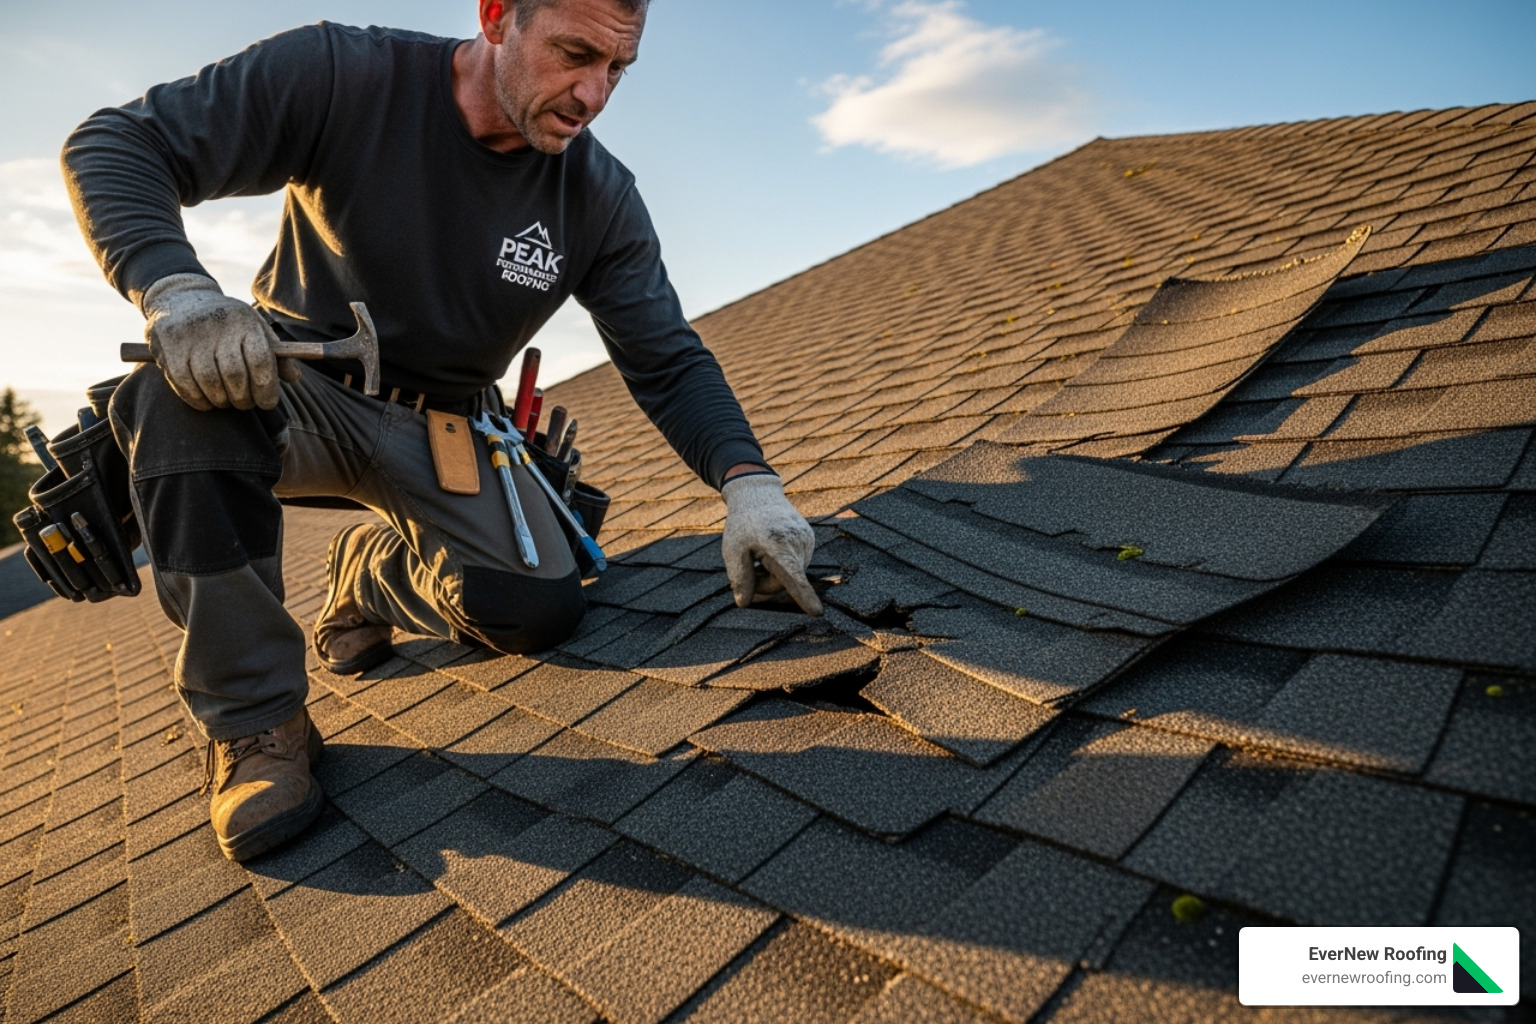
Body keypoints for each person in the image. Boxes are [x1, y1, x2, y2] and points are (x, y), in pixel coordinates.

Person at [62, 0, 822, 862]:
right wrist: (178, 291)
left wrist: (749, 483)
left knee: (533, 608)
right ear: (498, 16)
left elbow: (667, 359)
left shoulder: (597, 197)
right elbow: (116, 143)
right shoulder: (344, 76)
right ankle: (258, 727)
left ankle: (371, 573)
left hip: (447, 427)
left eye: (618, 69)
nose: (594, 95)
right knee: (174, 398)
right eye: (575, 54)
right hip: (288, 393)